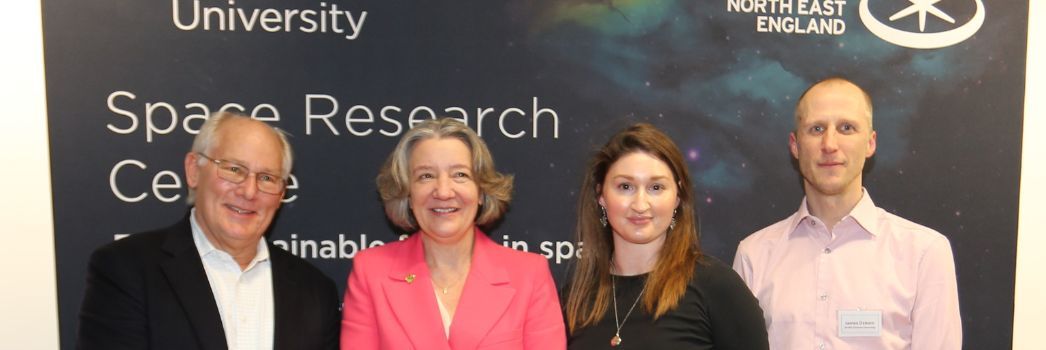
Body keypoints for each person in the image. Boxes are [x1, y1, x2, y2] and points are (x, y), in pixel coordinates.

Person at [77, 111, 340, 350]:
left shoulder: (315, 291)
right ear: (193, 170)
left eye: (267, 178)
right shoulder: (126, 269)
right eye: (234, 169)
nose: (249, 191)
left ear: (282, 193)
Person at [733, 77, 962, 349]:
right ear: (795, 145)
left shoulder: (924, 253)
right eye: (816, 128)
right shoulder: (754, 256)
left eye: (846, 128)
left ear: (870, 143)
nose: (830, 144)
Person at [341, 118, 566, 350]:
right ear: (407, 193)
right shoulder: (371, 272)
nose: (444, 191)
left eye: (460, 175)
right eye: (426, 176)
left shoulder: (529, 275)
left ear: (481, 191)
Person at [563, 123, 768, 349]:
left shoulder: (717, 287)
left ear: (678, 198)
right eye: (625, 186)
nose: (640, 204)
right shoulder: (575, 298)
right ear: (601, 196)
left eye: (656, 188)